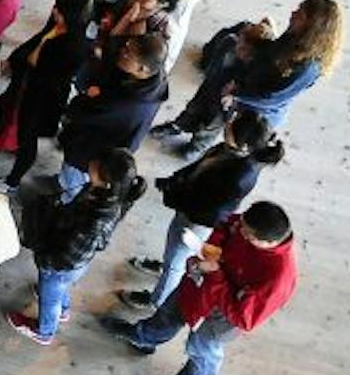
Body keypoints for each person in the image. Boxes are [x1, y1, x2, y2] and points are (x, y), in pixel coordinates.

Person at [103, 201, 298, 375]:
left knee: (201, 350)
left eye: (248, 234)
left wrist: (215, 275)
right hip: (200, 283)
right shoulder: (245, 225)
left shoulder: (278, 277)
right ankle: (143, 338)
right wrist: (211, 249)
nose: (241, 232)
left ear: (267, 241)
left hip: (222, 316)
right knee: (168, 313)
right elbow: (226, 226)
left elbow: (244, 318)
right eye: (242, 226)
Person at [119, 112, 284, 314]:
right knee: (174, 254)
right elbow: (200, 169)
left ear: (243, 143)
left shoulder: (238, 177)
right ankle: (166, 269)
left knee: (177, 261)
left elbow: (209, 206)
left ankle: (157, 300)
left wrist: (180, 197)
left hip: (196, 220)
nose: (228, 123)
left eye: (233, 124)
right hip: (189, 210)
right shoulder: (232, 151)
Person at [153, 0, 343, 155]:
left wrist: (236, 94)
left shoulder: (308, 67)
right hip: (245, 80)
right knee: (205, 95)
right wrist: (258, 44)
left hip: (253, 104)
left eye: (300, 13)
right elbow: (272, 56)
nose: (293, 13)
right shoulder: (296, 36)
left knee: (214, 117)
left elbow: (271, 97)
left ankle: (195, 148)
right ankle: (183, 124)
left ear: (312, 26)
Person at [7, 149, 146, 345]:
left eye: (97, 162)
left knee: (51, 292)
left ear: (106, 179)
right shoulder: (106, 193)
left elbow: (67, 258)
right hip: (71, 262)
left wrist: (44, 261)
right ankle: (62, 309)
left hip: (60, 264)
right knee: (57, 288)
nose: (91, 161)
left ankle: (44, 331)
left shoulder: (96, 220)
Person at [0, 0, 99, 191]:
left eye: (59, 11)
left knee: (27, 138)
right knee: (6, 113)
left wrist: (25, 67)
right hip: (28, 84)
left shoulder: (75, 46)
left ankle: (13, 180)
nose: (54, 13)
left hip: (42, 97)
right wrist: (15, 59)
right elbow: (38, 39)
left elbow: (50, 75)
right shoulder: (60, 24)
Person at [55, 32, 168, 200]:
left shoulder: (124, 104)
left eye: (128, 53)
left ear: (142, 69)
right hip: (107, 138)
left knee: (73, 182)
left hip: (91, 151)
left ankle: (65, 199)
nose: (122, 52)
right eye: (127, 46)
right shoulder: (154, 82)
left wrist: (88, 96)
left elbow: (79, 112)